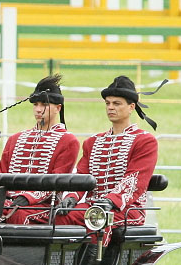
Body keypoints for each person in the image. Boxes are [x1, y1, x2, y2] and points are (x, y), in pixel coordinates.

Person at [54, 75, 162, 244]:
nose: (111, 107)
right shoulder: (93, 141)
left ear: (131, 107)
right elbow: (82, 176)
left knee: (96, 218)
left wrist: (111, 200)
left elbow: (134, 180)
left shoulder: (144, 141)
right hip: (93, 205)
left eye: (117, 103)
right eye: (108, 103)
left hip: (127, 209)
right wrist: (72, 197)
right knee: (59, 218)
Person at [0, 74, 81, 224]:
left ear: (58, 108)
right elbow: (2, 174)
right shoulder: (15, 139)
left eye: (44, 104)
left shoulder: (68, 141)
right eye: (35, 104)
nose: (38, 109)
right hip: (10, 203)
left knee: (19, 215)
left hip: (43, 206)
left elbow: (57, 180)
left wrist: (26, 198)